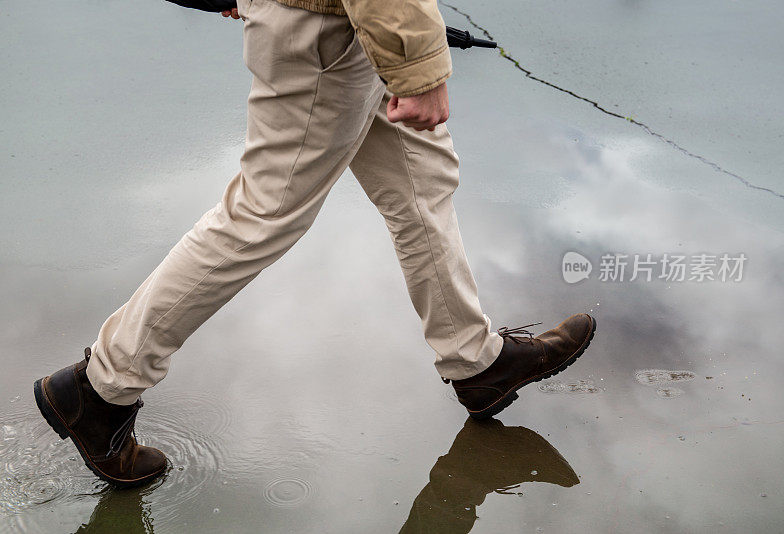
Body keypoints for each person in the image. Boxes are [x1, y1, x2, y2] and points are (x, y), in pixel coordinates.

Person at [33, 0, 596, 487]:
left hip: (354, 24)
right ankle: (101, 388)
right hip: (330, 32)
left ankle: (475, 362)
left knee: (422, 186)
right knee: (263, 213)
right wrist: (417, 63)